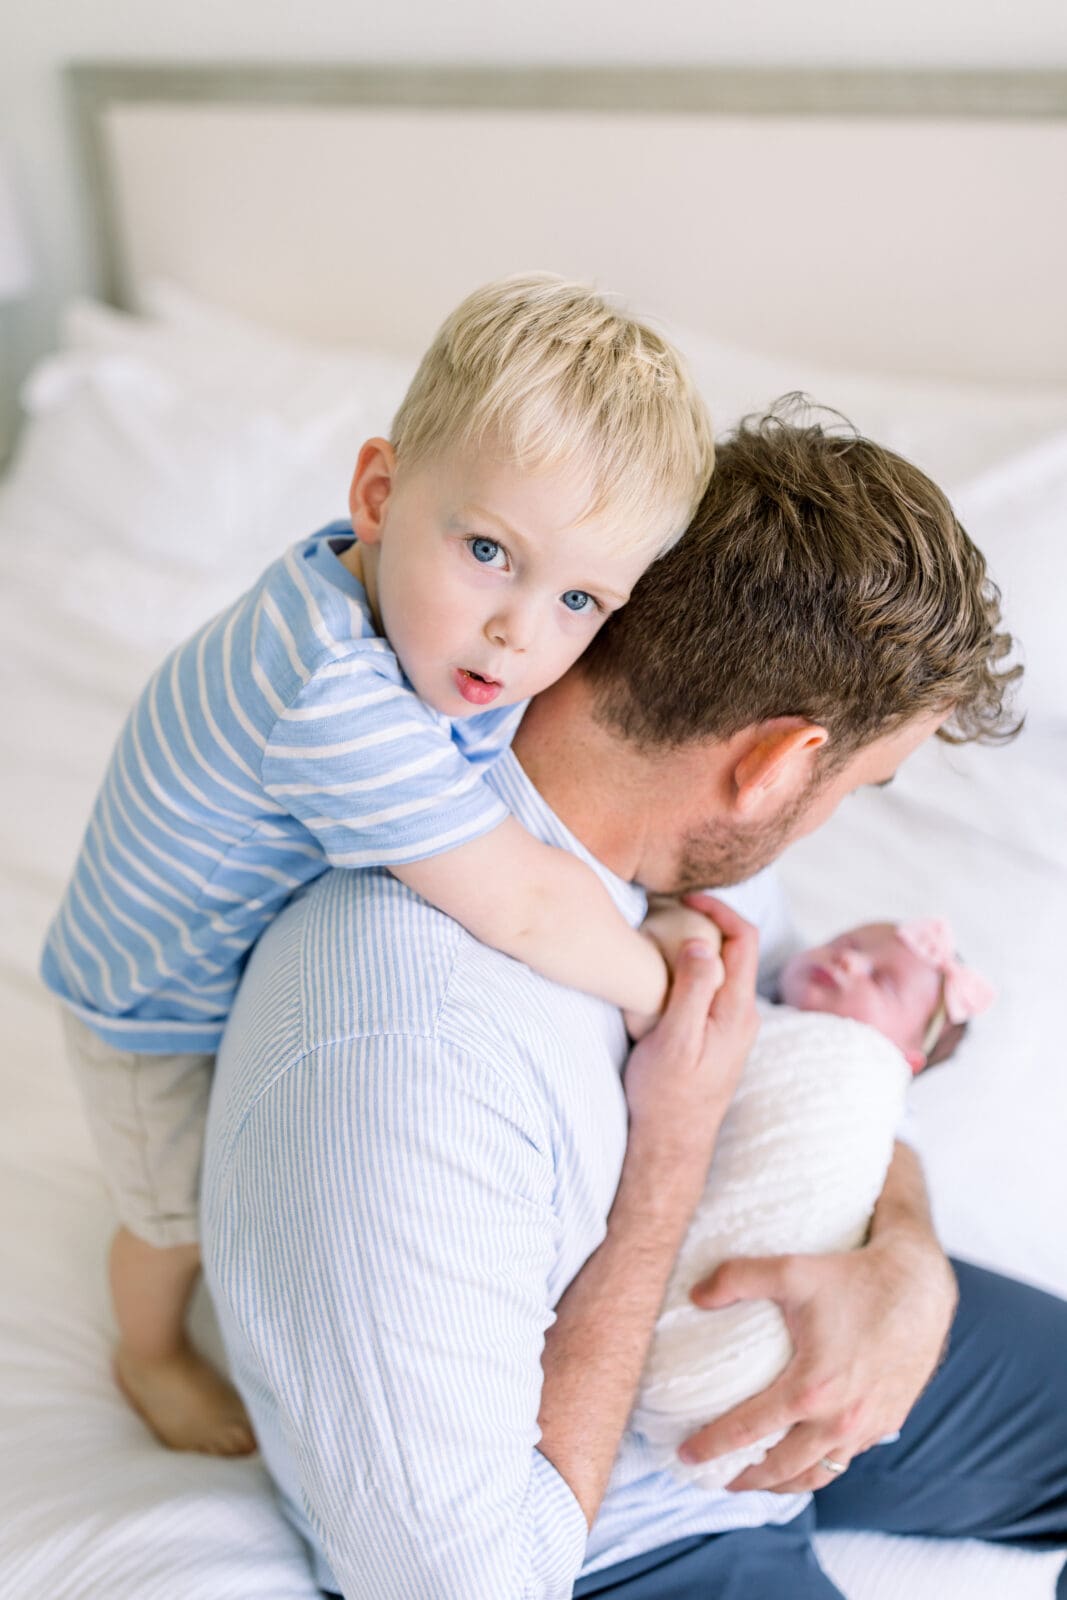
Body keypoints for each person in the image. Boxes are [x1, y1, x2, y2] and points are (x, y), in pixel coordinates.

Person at [202, 411, 1066, 1598]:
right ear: (774, 761)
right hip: (625, 1530)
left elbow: (823, 1051)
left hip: (788, 1323)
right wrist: (667, 1157)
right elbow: (468, 1578)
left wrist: (906, 1268)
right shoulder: (399, 1046)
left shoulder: (685, 835)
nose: (826, 820)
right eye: (852, 788)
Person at [38, 273, 714, 1455]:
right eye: (489, 550)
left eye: (577, 599)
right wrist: (663, 987)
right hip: (147, 990)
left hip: (216, 930)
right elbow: (514, 901)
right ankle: (145, 1349)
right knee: (170, 1202)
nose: (519, 632)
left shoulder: (407, 620)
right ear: (379, 495)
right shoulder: (326, 693)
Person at [634, 917, 996, 1491]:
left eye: (881, 980)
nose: (848, 961)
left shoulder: (864, 1085)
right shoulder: (757, 998)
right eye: (846, 945)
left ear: (906, 1056)